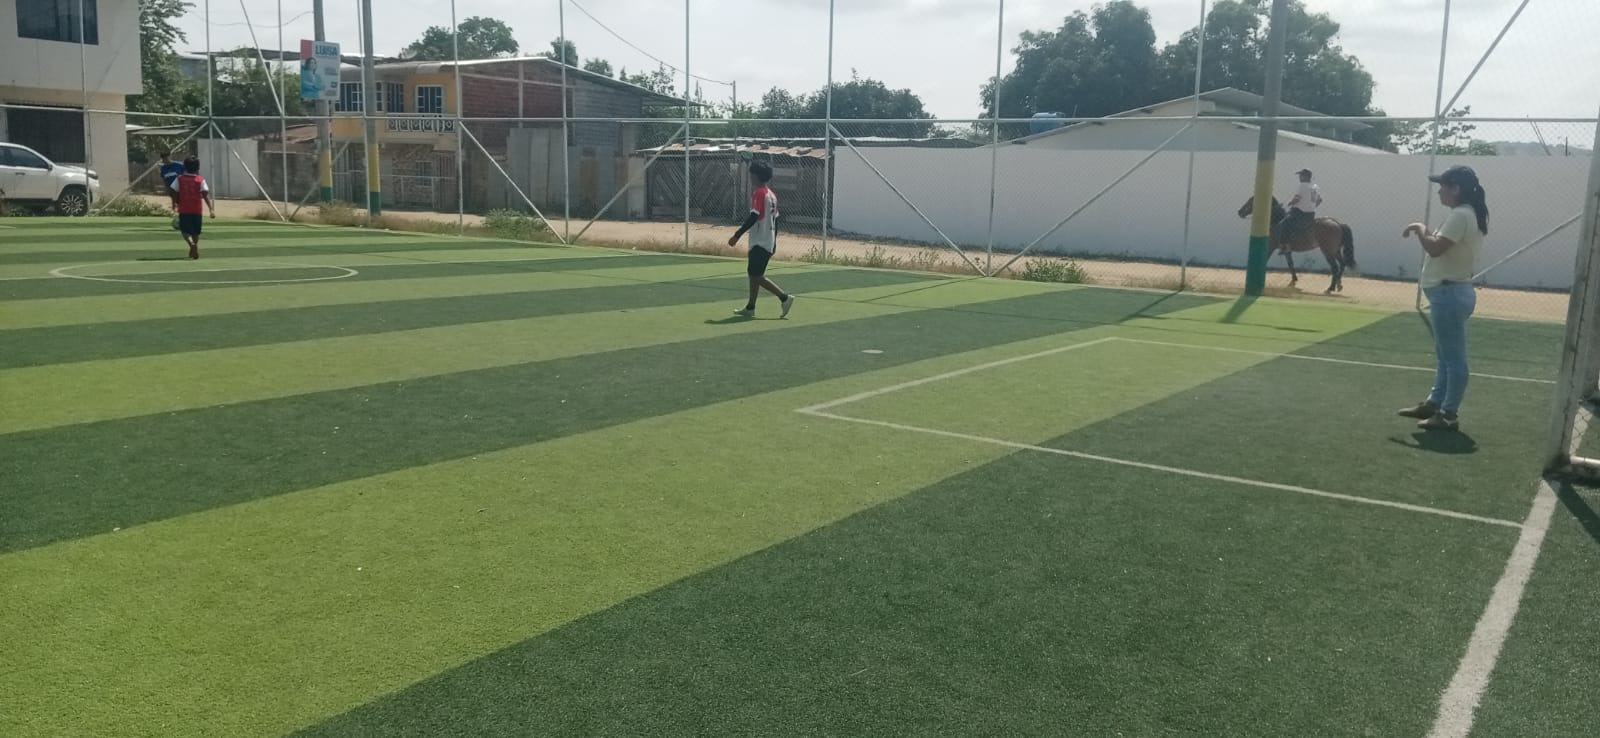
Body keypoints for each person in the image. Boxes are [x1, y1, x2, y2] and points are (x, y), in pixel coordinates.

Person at [1398, 165, 1488, 431]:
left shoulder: (1461, 215)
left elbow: (1435, 249)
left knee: (1453, 358)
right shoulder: (1466, 214)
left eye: (1443, 186)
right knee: (1445, 355)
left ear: (1456, 189)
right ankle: (1434, 403)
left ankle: (1448, 414)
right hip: (1450, 293)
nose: (1439, 191)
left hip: (1449, 294)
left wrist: (1420, 229)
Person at [727, 160, 794, 318]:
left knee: (756, 275)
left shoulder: (759, 193)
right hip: (767, 240)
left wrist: (737, 235)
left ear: (756, 176)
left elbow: (753, 217)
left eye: (751, 174)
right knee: (754, 274)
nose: (750, 177)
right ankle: (750, 307)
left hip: (760, 241)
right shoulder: (771, 195)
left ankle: (784, 297)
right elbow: (776, 220)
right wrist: (774, 241)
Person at [170, 156, 216, 260]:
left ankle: (191, 244)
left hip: (184, 209)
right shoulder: (200, 180)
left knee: (185, 231)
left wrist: (175, 204)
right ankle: (193, 247)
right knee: (196, 231)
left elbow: (173, 191)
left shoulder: (180, 179)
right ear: (198, 168)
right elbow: (205, 195)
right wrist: (211, 209)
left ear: (185, 167)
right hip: (197, 210)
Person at [1282, 168, 1322, 244]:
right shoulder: (1315, 187)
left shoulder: (1302, 186)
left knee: (1284, 222)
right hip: (1311, 215)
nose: (1299, 177)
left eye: (1301, 175)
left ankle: (1285, 244)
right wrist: (1312, 206)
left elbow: (1296, 199)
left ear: (1306, 176)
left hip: (1299, 214)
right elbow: (1320, 200)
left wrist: (1287, 205)